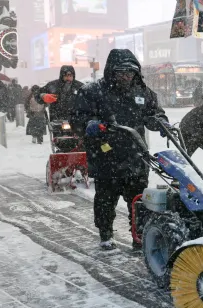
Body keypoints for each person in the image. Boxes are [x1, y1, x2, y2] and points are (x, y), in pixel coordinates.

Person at [72, 49, 169, 251]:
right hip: (106, 155)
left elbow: (154, 113)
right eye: (121, 72)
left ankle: (139, 235)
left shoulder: (142, 92)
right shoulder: (93, 91)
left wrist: (161, 123)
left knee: (139, 201)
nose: (126, 76)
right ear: (111, 71)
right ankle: (106, 233)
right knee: (106, 200)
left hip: (136, 155)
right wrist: (90, 124)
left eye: (130, 72)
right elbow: (77, 118)